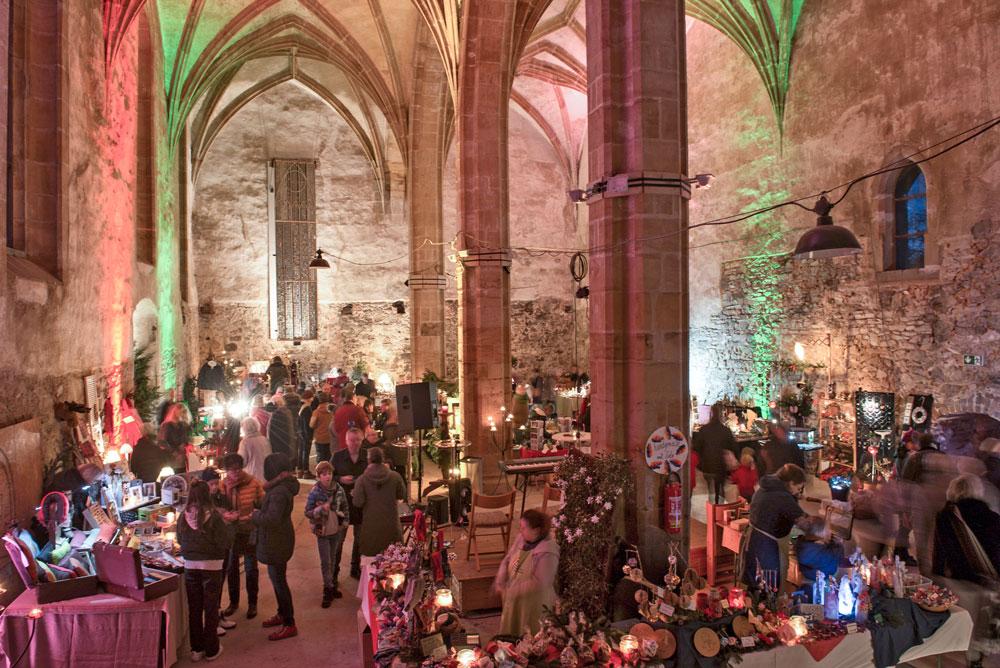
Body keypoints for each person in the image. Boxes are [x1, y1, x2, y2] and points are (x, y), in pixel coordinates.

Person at [178, 480, 235, 662]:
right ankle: (211, 649)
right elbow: (224, 542)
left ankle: (196, 649)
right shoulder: (214, 517)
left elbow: (180, 539)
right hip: (212, 567)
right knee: (210, 608)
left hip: (190, 567)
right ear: (206, 494)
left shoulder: (183, 516)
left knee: (194, 609)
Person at [740, 463, 813, 590]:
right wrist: (821, 527)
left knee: (754, 582)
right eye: (798, 488)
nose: (799, 491)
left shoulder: (766, 487)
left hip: (752, 538)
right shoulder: (782, 496)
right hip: (765, 545)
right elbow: (804, 523)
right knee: (768, 584)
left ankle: (755, 606)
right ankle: (768, 608)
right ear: (790, 483)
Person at [252, 453, 300, 641]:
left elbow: (272, 519)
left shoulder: (279, 492)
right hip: (278, 539)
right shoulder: (279, 488)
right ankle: (282, 613)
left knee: (279, 582)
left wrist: (254, 515)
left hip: (277, 541)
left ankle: (289, 623)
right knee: (277, 579)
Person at [494, 509, 559, 637]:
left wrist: (512, 591)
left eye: (523, 528)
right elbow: (508, 558)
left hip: (534, 604)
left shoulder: (548, 552)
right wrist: (500, 577)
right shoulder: (522, 538)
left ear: (536, 530)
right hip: (516, 599)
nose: (520, 531)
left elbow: (540, 582)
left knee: (531, 636)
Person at [933, 474, 1000, 584]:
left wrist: (937, 580)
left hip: (960, 579)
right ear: (979, 491)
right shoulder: (993, 518)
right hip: (990, 580)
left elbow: (939, 555)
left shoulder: (947, 517)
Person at [221, 453, 264, 620]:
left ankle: (253, 603)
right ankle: (233, 602)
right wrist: (226, 514)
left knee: (251, 568)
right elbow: (218, 506)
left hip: (249, 530)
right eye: (232, 470)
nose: (236, 473)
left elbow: (261, 506)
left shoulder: (253, 483)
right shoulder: (223, 485)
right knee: (231, 568)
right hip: (231, 533)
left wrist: (247, 516)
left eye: (238, 469)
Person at [304, 461, 349, 606]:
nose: (327, 477)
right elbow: (308, 512)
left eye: (329, 473)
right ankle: (327, 589)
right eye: (323, 474)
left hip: (336, 529)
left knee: (334, 558)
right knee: (326, 561)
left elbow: (345, 506)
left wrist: (345, 522)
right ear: (318, 476)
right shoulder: (315, 492)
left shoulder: (339, 489)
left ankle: (332, 584)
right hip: (322, 531)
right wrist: (319, 510)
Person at [352, 447, 406, 562]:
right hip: (392, 526)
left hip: (370, 529)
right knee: (394, 565)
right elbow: (402, 495)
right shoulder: (395, 476)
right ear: (383, 459)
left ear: (369, 460)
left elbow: (357, 502)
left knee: (372, 565)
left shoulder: (362, 480)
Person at [332, 428, 369, 579]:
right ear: (346, 441)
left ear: (362, 440)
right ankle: (334, 573)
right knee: (338, 541)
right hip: (343, 506)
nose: (354, 443)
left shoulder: (368, 456)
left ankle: (355, 568)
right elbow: (327, 476)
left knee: (360, 540)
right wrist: (340, 479)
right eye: (351, 440)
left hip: (361, 506)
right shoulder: (338, 456)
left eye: (357, 440)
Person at [693, 403, 739, 503]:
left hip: (707, 465)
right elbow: (733, 446)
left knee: (711, 488)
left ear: (710, 414)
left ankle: (713, 509)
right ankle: (719, 509)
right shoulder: (725, 430)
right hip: (721, 464)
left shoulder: (704, 430)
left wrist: (702, 458)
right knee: (721, 487)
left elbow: (697, 447)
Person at [237, 417, 270, 483]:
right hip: (267, 475)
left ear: (244, 428)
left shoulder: (245, 442)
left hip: (251, 476)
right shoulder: (264, 439)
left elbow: (241, 462)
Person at [267, 394, 298, 464]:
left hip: (279, 443)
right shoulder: (288, 411)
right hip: (288, 441)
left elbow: (271, 431)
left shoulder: (276, 414)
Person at [309, 392, 335, 465]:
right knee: (330, 457)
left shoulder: (316, 412)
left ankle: (321, 473)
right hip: (330, 437)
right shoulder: (332, 411)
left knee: (321, 457)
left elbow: (311, 425)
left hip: (319, 438)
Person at [297, 389, 316, 476]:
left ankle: (300, 470)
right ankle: (306, 471)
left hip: (300, 433)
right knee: (305, 452)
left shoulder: (302, 407)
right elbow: (307, 424)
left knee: (301, 452)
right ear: (310, 398)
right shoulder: (307, 408)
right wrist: (309, 436)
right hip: (305, 434)